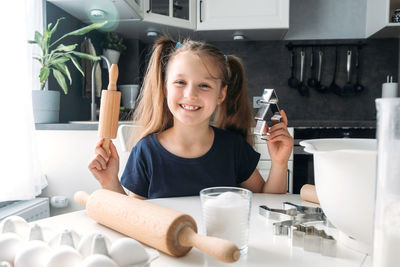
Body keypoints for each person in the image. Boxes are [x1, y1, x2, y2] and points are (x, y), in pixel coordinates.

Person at [88, 36, 294, 199]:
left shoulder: (234, 148)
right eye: (180, 82)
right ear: (165, 89)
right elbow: (134, 218)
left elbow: (267, 203)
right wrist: (110, 182)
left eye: (204, 85)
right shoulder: (146, 152)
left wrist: (279, 163)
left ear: (221, 94)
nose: (190, 95)